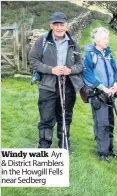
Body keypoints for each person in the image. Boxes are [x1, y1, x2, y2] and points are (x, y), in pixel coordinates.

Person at [28, 12, 83, 151]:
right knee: (46, 116)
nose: (59, 28)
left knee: (65, 115)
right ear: (51, 25)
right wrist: (51, 70)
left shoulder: (73, 43)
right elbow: (33, 61)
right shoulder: (42, 41)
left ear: (66, 25)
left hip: (68, 85)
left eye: (62, 24)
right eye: (56, 25)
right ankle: (44, 145)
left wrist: (70, 70)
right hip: (48, 85)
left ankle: (63, 143)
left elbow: (81, 64)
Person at [82, 27, 117, 162]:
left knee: (110, 122)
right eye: (105, 38)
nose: (107, 40)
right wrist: (104, 88)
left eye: (107, 37)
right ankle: (102, 153)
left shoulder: (108, 54)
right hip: (98, 95)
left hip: (110, 94)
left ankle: (110, 150)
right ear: (96, 40)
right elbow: (88, 75)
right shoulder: (90, 55)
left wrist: (116, 84)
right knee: (102, 123)